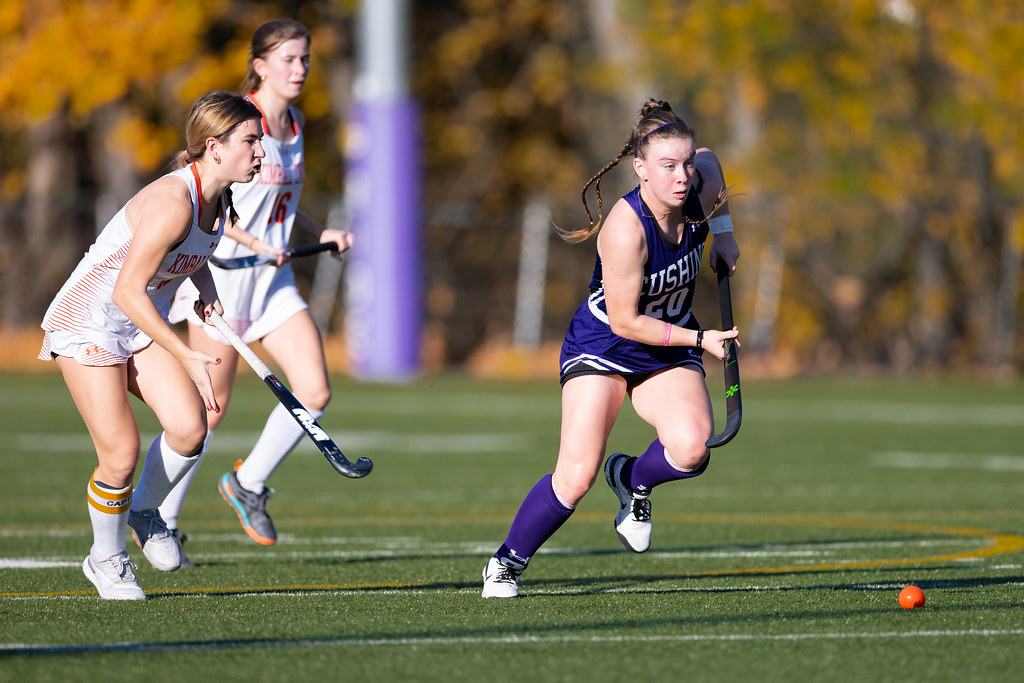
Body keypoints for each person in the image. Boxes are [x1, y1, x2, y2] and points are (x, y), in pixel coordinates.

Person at [481, 99, 741, 598]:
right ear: (640, 169)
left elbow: (712, 159)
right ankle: (507, 561)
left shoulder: (700, 176)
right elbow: (626, 321)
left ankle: (632, 480)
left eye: (684, 164)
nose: (683, 176)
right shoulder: (626, 230)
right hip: (606, 343)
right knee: (575, 476)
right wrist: (698, 340)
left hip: (665, 342)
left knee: (691, 449)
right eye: (667, 167)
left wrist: (724, 234)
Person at [38, 91, 265, 599]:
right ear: (215, 146)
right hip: (92, 322)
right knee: (120, 453)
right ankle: (106, 560)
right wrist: (185, 353)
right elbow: (125, 289)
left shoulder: (219, 200)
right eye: (250, 141)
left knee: (190, 428)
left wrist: (205, 290)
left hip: (140, 321)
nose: (259, 152)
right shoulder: (171, 201)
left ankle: (144, 511)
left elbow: (190, 253)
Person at [163, 19, 353, 556]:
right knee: (209, 409)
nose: (300, 69)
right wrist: (254, 240)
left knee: (313, 391)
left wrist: (320, 232)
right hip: (221, 277)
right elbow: (214, 198)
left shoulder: (296, 122)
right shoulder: (239, 124)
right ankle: (162, 517)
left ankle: (248, 483)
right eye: (289, 59)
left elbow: (283, 205)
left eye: (305, 59)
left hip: (274, 282)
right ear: (261, 65)